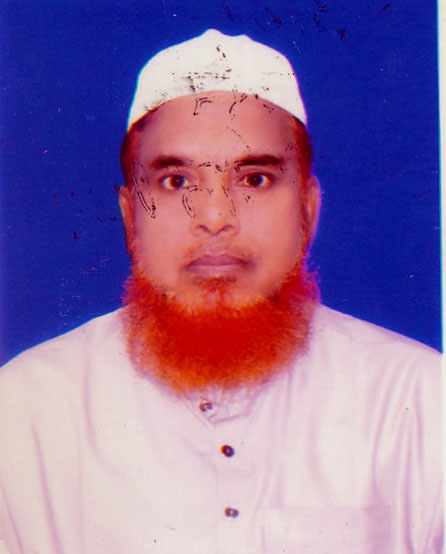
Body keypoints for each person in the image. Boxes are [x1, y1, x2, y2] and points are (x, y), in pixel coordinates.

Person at [0, 29, 442, 554]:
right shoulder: (24, 411)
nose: (215, 218)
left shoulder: (419, 401)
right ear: (130, 216)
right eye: (176, 182)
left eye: (254, 179)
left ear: (308, 209)